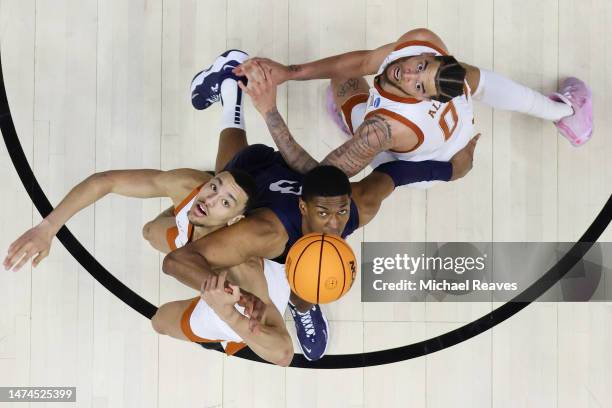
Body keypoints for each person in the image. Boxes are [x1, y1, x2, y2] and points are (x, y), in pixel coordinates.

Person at [162, 50, 480, 361]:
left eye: (341, 211)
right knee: (227, 179)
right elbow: (177, 261)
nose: (334, 224)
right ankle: (232, 92)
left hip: (303, 191)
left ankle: (303, 303)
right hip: (261, 181)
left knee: (312, 271)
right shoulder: (264, 231)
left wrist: (451, 170)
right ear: (303, 208)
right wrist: (225, 292)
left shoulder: (361, 206)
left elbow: (395, 173)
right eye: (325, 213)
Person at [3, 50, 295, 366]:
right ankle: (230, 89)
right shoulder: (191, 186)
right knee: (153, 230)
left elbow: (283, 354)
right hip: (210, 235)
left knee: (160, 322)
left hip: (234, 312)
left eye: (223, 201)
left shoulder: (246, 271)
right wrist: (48, 228)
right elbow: (106, 182)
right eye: (212, 187)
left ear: (238, 220)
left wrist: (229, 314)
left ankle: (303, 302)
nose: (208, 200)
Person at [234, 27, 592, 185]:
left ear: (425, 98)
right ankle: (566, 114)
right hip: (455, 126)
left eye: (418, 85)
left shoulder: (382, 129)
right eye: (420, 66)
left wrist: (268, 108)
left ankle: (350, 120)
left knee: (344, 88)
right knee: (475, 78)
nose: (406, 74)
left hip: (423, 160)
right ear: (429, 54)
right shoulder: (424, 45)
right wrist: (289, 72)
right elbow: (365, 61)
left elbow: (319, 180)